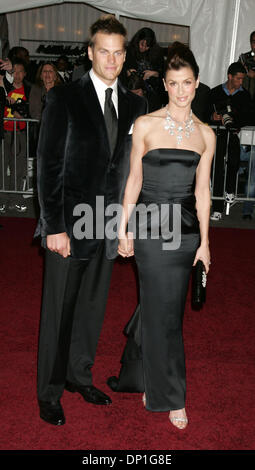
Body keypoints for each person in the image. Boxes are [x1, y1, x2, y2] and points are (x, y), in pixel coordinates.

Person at [35, 14, 147, 426]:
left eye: (119, 52)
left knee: (91, 307)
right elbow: (48, 167)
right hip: (69, 223)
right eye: (104, 51)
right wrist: (54, 227)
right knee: (58, 313)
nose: (112, 59)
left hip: (107, 224)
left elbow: (131, 171)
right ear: (90, 53)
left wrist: (126, 226)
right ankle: (49, 391)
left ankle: (78, 376)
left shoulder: (136, 104)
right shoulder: (64, 97)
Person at [114, 42, 215, 429]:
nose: (181, 90)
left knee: (163, 311)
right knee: (165, 315)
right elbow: (133, 181)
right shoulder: (146, 125)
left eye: (187, 82)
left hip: (186, 235)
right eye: (173, 83)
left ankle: (147, 378)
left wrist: (205, 242)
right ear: (166, 86)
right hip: (150, 232)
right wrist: (123, 227)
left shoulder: (206, 135)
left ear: (197, 83)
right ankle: (172, 396)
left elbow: (203, 192)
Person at [208, 62, 254, 221]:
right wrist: (213, 117)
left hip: (234, 136)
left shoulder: (245, 95)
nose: (241, 82)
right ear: (230, 76)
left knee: (234, 164)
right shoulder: (214, 92)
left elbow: (249, 116)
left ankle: (230, 190)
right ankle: (217, 207)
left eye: (243, 79)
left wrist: (235, 120)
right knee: (217, 169)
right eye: (238, 79)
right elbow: (205, 111)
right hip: (217, 136)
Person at [0, 59, 30, 214]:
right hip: (4, 133)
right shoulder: (5, 87)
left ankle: (16, 199)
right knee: (2, 167)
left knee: (18, 168)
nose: (17, 74)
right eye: (14, 71)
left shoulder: (30, 90)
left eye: (20, 71)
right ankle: (2, 200)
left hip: (20, 133)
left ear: (25, 74)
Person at [121, 27, 165, 109]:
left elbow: (165, 73)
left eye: (147, 46)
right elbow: (119, 72)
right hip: (133, 94)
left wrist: (155, 73)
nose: (144, 48)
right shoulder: (129, 52)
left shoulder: (157, 54)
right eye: (142, 44)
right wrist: (127, 71)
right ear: (137, 40)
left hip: (152, 95)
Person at [238, 30, 255, 100]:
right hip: (244, 100)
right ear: (251, 44)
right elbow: (234, 75)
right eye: (254, 42)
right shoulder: (244, 58)